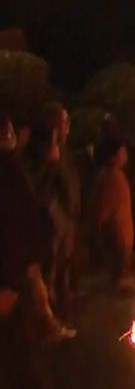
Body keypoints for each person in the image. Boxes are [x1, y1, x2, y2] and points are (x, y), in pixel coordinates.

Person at [0, 115, 66, 389]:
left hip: (10, 289)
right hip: (14, 282)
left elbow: (20, 230)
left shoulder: (8, 174)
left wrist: (11, 286)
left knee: (22, 368)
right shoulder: (13, 170)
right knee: (19, 369)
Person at [26, 104, 81, 318]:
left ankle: (63, 300)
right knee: (50, 264)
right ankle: (46, 312)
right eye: (64, 122)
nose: (67, 126)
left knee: (64, 262)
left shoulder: (64, 150)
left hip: (67, 218)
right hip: (51, 219)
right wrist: (49, 162)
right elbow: (37, 185)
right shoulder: (40, 151)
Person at [90, 140, 135, 289]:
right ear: (112, 156)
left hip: (122, 235)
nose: (126, 156)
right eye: (122, 152)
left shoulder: (118, 176)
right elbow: (102, 210)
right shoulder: (110, 178)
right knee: (118, 278)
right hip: (116, 236)